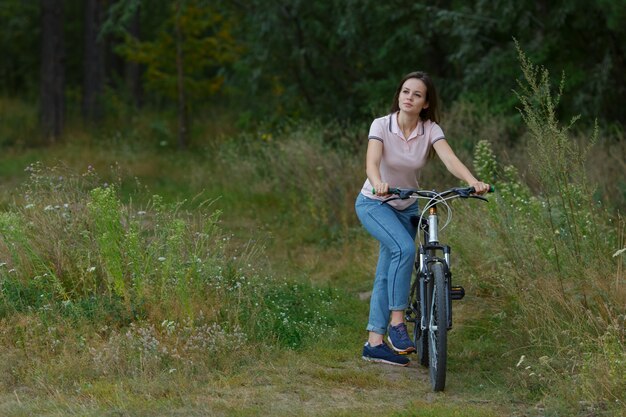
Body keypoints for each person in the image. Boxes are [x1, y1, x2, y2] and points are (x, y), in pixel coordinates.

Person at [355, 71, 490, 366]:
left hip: (408, 207)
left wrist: (472, 180)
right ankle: (397, 324)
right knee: (403, 249)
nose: (409, 98)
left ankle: (374, 343)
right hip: (375, 203)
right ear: (399, 96)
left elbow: (450, 158)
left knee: (386, 271)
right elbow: (372, 162)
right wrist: (378, 181)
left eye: (417, 94)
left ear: (426, 103)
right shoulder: (382, 124)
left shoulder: (430, 129)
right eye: (405, 92)